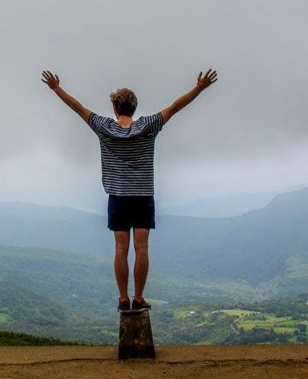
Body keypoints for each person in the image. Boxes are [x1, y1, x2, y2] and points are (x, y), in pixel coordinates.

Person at [41, 69, 219, 311]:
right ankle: (139, 298)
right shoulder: (148, 126)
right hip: (143, 196)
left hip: (118, 197)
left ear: (115, 109)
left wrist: (56, 89)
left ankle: (123, 299)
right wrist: (199, 88)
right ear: (134, 108)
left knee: (120, 249)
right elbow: (175, 107)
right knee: (142, 248)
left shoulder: (104, 127)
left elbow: (78, 107)